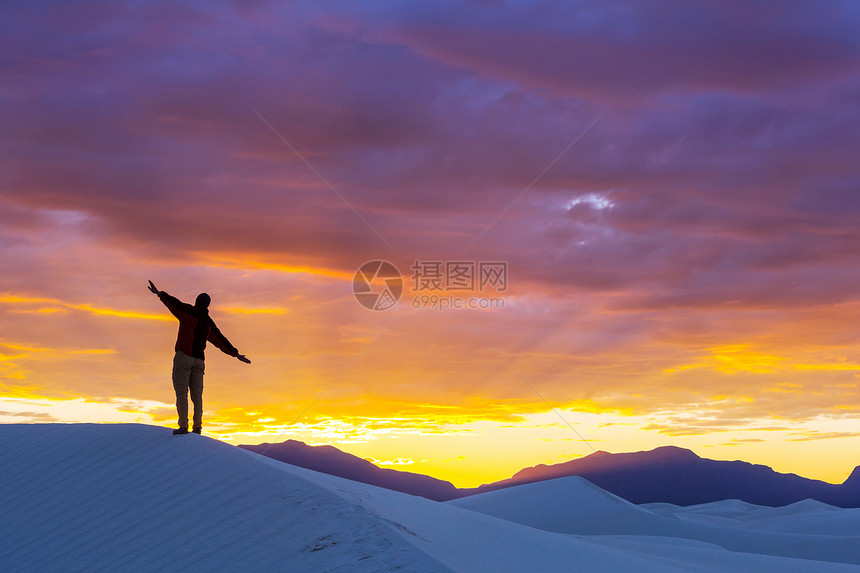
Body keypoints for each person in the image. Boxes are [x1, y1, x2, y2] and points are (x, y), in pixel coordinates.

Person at [148, 280, 250, 435]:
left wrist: (160, 294)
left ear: (197, 301)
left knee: (181, 392)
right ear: (208, 305)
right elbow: (220, 340)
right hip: (199, 361)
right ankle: (197, 428)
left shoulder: (189, 312)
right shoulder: (208, 323)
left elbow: (174, 304)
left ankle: (183, 427)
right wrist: (235, 354)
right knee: (197, 396)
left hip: (184, 357)